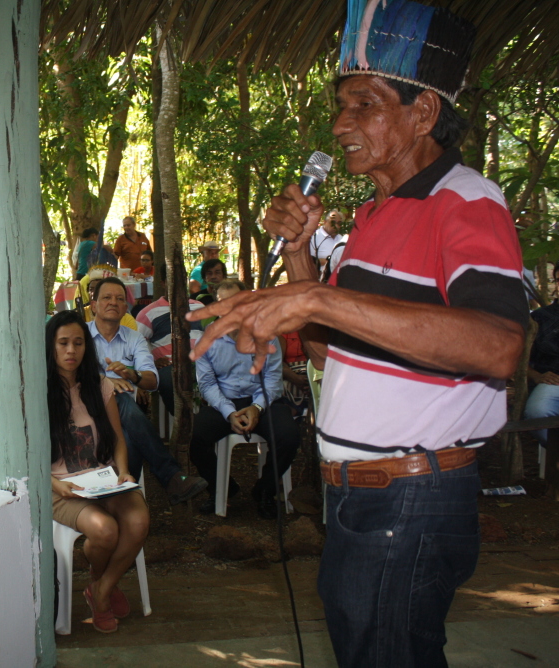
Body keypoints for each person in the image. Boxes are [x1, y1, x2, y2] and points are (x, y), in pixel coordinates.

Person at [188, 3, 526, 664]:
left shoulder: (466, 201)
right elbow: (323, 348)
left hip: (411, 498)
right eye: (340, 107)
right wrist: (299, 255)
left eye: (363, 104)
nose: (341, 125)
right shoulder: (373, 216)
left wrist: (317, 294)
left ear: (423, 113)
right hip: (359, 495)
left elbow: (499, 345)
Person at [46, 311, 149, 633]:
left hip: (103, 479)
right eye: (63, 343)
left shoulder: (98, 384)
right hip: (61, 487)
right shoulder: (39, 390)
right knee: (104, 531)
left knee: (138, 519)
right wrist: (53, 485)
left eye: (78, 343)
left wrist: (124, 472)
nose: (70, 351)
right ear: (50, 346)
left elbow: (117, 438)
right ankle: (103, 584)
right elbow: (27, 453)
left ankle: (101, 588)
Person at [89, 277, 207, 505]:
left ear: (126, 309)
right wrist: (104, 381)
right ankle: (171, 476)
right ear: (94, 305)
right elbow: (67, 372)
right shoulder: (81, 335)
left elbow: (152, 381)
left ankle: (121, 507)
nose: (113, 302)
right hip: (88, 407)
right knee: (120, 399)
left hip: (122, 416)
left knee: (129, 442)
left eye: (119, 299)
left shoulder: (134, 338)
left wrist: (133, 375)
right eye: (106, 298)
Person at [188, 301, 300, 518]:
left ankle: (265, 489)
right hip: (223, 401)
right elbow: (207, 385)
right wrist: (229, 412)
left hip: (263, 401)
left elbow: (273, 381)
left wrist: (256, 407)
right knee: (196, 437)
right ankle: (222, 488)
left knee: (288, 436)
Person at [135, 294, 204, 417]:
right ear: (163, 282)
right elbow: (136, 344)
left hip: (200, 362)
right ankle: (184, 421)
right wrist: (152, 363)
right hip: (170, 364)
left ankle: (204, 420)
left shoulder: (198, 306)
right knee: (167, 380)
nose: (178, 283)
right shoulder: (148, 313)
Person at [524, 292, 559, 449]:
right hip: (554, 381)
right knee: (537, 412)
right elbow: (517, 358)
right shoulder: (539, 318)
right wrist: (536, 375)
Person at [309, 210, 345, 276]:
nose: (336, 226)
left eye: (339, 223)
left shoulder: (342, 239)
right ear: (325, 222)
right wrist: (329, 262)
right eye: (333, 222)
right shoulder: (314, 237)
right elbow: (309, 261)